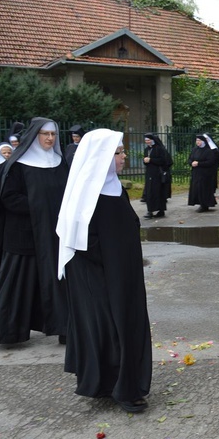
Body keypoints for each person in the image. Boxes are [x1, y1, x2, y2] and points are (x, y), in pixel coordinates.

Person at [56, 129, 152, 413]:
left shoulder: (114, 187)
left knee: (123, 324)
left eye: (122, 152)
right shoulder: (86, 192)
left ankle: (121, 384)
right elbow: (79, 239)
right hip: (98, 275)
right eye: (119, 153)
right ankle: (116, 387)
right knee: (108, 328)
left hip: (122, 272)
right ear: (101, 157)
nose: (124, 157)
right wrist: (109, 263)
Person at [0, 117, 70, 345]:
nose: (50, 139)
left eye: (53, 134)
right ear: (34, 135)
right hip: (25, 235)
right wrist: (40, 207)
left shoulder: (60, 163)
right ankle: (10, 332)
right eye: (45, 134)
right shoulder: (18, 165)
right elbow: (8, 198)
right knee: (19, 283)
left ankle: (64, 328)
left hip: (54, 235)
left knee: (59, 281)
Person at [142, 133, 172, 219]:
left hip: (158, 174)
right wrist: (145, 161)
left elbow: (163, 160)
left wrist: (151, 160)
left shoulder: (160, 149)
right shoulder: (146, 149)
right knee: (150, 192)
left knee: (159, 191)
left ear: (153, 140)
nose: (147, 142)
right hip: (150, 173)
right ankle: (150, 210)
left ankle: (161, 210)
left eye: (148, 140)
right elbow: (145, 160)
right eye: (146, 141)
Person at [187, 134, 218, 213]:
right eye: (197, 140)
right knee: (196, 188)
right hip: (196, 173)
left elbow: (210, 162)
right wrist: (191, 163)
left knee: (204, 189)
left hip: (205, 173)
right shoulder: (194, 150)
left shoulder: (208, 151)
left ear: (204, 141)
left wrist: (199, 163)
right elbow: (190, 159)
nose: (198, 142)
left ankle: (204, 205)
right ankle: (199, 203)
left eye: (199, 140)